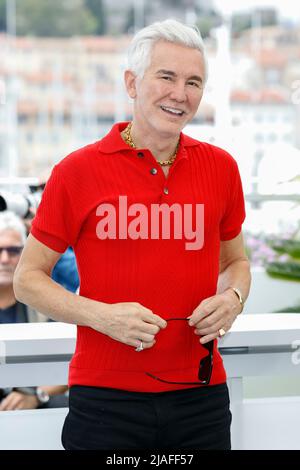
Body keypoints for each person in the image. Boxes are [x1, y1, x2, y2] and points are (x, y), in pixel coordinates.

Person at [14, 19, 251, 449]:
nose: (180, 93)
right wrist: (103, 316)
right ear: (132, 83)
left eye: (193, 81)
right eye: (166, 77)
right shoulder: (76, 172)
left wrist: (232, 298)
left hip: (201, 398)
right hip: (106, 401)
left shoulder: (221, 168)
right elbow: (27, 280)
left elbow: (235, 263)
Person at [0, 211, 68, 411]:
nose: (4, 259)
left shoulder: (45, 303)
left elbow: (73, 362)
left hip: (33, 411)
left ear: (24, 254)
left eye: (13, 251)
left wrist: (37, 395)